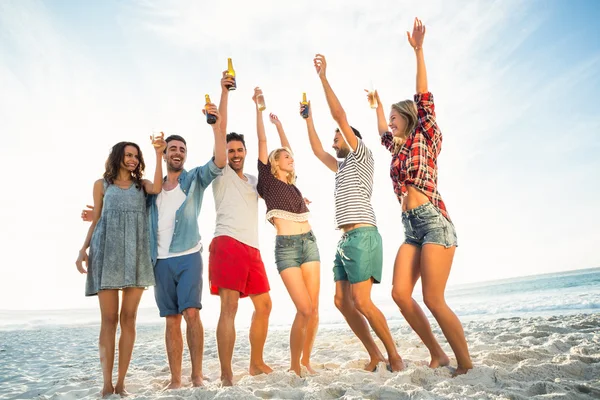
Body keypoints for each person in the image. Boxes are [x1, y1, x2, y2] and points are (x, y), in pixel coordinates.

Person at [371, 18, 473, 376]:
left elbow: (423, 97)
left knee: (432, 298)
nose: (393, 122)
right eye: (392, 118)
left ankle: (465, 363)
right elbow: (383, 132)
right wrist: (378, 105)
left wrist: (418, 51)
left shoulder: (425, 135)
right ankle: (438, 354)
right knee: (400, 294)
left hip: (434, 221)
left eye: (398, 117)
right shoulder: (397, 149)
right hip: (410, 227)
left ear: (410, 118)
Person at [301, 54, 404, 372]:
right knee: (341, 302)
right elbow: (318, 151)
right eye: (334, 135)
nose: (335, 139)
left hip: (363, 235)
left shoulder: (360, 155)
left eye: (339, 135)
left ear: (351, 138)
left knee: (361, 301)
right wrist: (307, 119)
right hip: (345, 240)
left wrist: (323, 78)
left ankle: (394, 356)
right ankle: (375, 355)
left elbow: (341, 115)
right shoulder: (340, 167)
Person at [75, 135, 166, 397]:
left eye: (136, 156)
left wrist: (158, 154)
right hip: (106, 253)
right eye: (128, 155)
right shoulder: (101, 184)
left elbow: (158, 188)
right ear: (118, 157)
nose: (133, 159)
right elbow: (97, 219)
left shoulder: (142, 185)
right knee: (109, 320)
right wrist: (83, 249)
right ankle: (106, 383)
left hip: (136, 253)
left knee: (129, 319)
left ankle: (122, 382)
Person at [147, 102, 226, 388]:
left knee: (192, 313)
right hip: (160, 261)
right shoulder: (152, 188)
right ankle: (175, 379)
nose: (178, 153)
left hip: (189, 255)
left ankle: (196, 375)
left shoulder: (193, 179)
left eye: (182, 149)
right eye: (173, 149)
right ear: (165, 154)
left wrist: (216, 126)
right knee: (171, 320)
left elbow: (219, 161)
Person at [208, 72, 273, 386]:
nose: (234, 154)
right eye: (230, 150)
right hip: (228, 243)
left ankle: (256, 363)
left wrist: (260, 109)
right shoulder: (220, 173)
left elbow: (263, 144)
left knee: (265, 304)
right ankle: (225, 374)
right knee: (230, 307)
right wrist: (225, 93)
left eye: (238, 150)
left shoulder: (254, 181)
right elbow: (219, 129)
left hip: (253, 249)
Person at [253, 87, 321, 376]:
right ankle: (295, 366)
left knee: (314, 310)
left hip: (309, 243)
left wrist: (283, 126)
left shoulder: (293, 186)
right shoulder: (267, 181)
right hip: (287, 248)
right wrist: (261, 112)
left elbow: (288, 150)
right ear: (274, 163)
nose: (290, 158)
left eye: (290, 157)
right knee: (304, 309)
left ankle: (306, 361)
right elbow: (262, 140)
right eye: (285, 156)